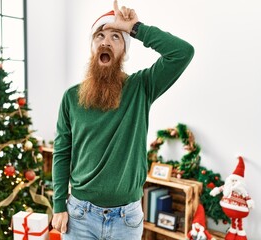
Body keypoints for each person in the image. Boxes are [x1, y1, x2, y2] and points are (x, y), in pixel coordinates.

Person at [51, 1, 194, 239]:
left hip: (126, 220)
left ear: (124, 50)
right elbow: (61, 152)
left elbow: (182, 52)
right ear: (92, 46)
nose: (106, 41)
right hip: (80, 216)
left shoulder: (141, 87)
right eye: (100, 35)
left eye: (116, 36)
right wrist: (58, 206)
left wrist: (135, 27)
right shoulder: (71, 98)